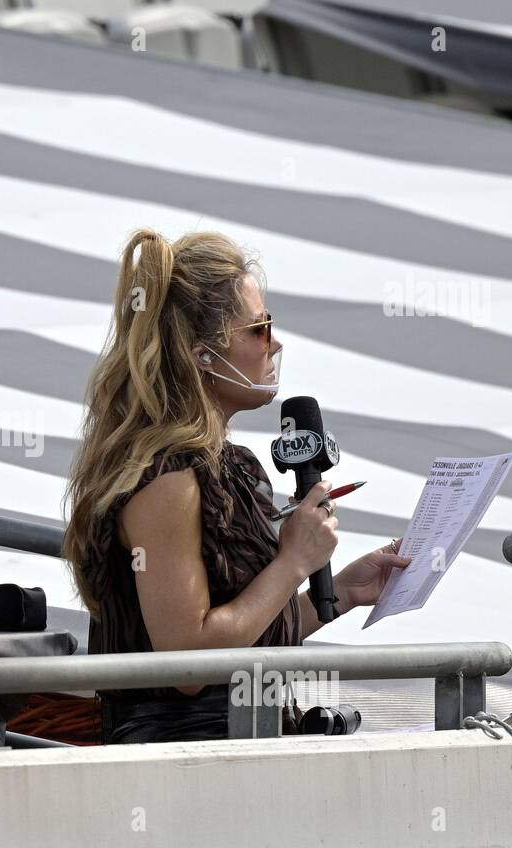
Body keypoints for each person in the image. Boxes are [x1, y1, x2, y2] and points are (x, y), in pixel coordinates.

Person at [62, 228, 411, 744]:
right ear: (204, 354)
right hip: (188, 761)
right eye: (259, 328)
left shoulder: (227, 464)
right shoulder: (168, 478)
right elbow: (188, 662)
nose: (277, 341)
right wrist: (292, 562)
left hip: (244, 742)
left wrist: (344, 591)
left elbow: (244, 632)